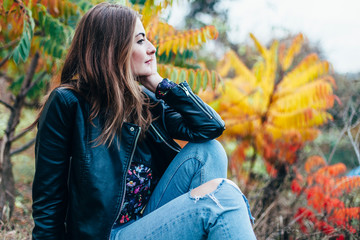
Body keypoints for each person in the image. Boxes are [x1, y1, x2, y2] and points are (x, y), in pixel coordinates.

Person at [31, 2, 256, 240]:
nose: (152, 49)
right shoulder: (68, 102)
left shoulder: (144, 100)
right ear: (112, 49)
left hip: (148, 223)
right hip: (105, 235)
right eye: (140, 41)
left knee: (209, 150)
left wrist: (162, 86)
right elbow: (48, 200)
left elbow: (209, 127)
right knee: (223, 198)